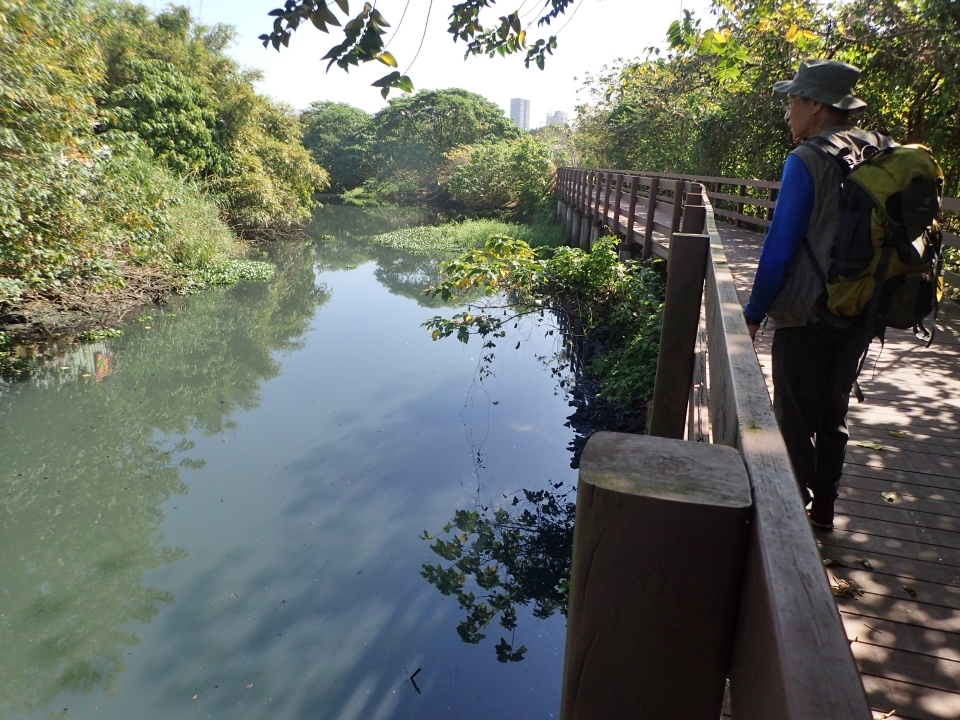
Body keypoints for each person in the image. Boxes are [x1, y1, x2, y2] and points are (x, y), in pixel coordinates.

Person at [743, 59, 892, 530]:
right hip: (862, 307)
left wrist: (754, 311)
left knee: (793, 416)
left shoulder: (807, 158)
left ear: (816, 105)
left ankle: (789, 514)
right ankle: (824, 506)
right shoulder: (878, 149)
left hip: (807, 312)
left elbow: (781, 244)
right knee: (833, 410)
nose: (788, 112)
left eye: (793, 102)